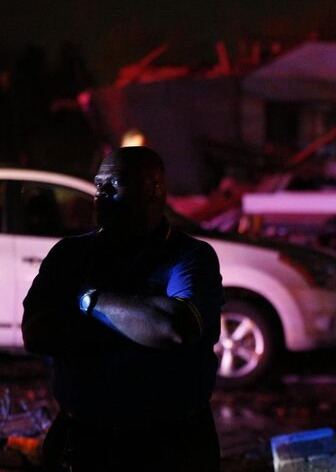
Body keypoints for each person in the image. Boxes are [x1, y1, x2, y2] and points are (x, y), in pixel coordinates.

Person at [22, 147, 224, 472]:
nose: (100, 195)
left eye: (114, 184)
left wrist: (89, 301)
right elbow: (37, 333)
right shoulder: (70, 254)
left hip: (172, 447)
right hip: (85, 443)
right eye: (98, 185)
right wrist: (134, 322)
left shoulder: (190, 257)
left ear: (154, 189)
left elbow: (174, 327)